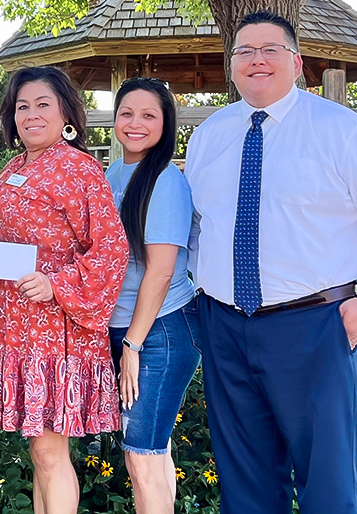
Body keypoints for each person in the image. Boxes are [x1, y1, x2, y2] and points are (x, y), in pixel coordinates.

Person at [185, 10, 357, 514]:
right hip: (226, 326)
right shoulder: (209, 136)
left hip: (314, 325)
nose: (257, 60)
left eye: (270, 49)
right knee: (245, 479)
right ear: (231, 66)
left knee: (327, 484)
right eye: (244, 52)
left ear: (296, 63)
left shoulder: (339, 130)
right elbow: (195, 227)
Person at [0, 66, 129, 514]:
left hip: (55, 326)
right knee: (39, 452)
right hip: (15, 323)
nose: (31, 114)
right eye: (23, 106)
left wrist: (57, 283)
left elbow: (111, 250)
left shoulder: (78, 169)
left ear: (65, 112)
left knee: (48, 451)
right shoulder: (15, 166)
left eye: (43, 104)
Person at [105, 77, 200, 513]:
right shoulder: (113, 173)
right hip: (126, 326)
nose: (135, 123)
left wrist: (132, 344)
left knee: (140, 456)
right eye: (127, 113)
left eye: (149, 115)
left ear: (167, 124)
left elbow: (160, 273)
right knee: (153, 454)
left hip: (157, 332)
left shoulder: (165, 180)